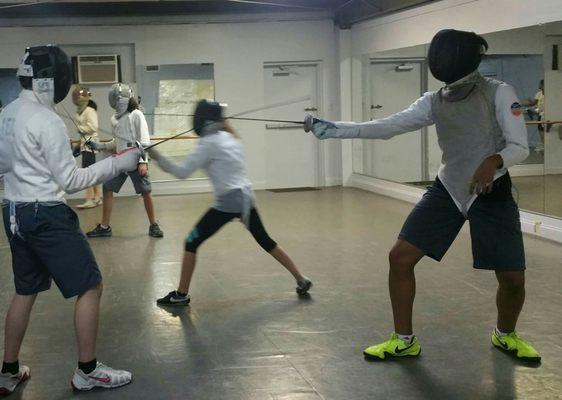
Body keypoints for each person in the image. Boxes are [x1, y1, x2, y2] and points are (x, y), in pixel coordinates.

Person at [309, 29, 540, 362]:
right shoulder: (435, 100)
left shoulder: (499, 93)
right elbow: (388, 126)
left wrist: (494, 160)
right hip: (448, 189)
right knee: (399, 257)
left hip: (491, 192)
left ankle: (505, 334)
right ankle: (403, 340)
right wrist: (335, 128)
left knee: (513, 278)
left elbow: (520, 146)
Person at [0, 45, 137, 395]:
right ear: (52, 81)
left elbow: (9, 164)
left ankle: (8, 371)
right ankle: (87, 371)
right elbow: (71, 181)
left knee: (26, 290)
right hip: (46, 215)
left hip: (13, 213)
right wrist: (123, 162)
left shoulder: (7, 113)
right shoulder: (46, 120)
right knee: (90, 285)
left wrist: (72, 151)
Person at [147, 100, 312, 306]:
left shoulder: (208, 144)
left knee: (191, 241)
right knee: (265, 240)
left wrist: (155, 155)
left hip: (228, 203)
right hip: (246, 198)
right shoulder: (230, 138)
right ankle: (301, 279)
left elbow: (182, 172)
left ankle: (181, 294)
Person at [86, 83, 163, 238]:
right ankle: (104, 227)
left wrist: (143, 162)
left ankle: (153, 225)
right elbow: (117, 142)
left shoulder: (136, 114)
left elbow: (144, 140)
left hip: (135, 158)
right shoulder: (115, 119)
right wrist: (100, 145)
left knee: (146, 192)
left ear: (122, 98)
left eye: (116, 97)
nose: (115, 100)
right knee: (107, 188)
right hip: (121, 159)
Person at [72, 85, 102, 209]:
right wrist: (78, 145)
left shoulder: (90, 111)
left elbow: (93, 127)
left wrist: (80, 128)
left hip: (91, 145)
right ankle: (98, 198)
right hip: (85, 145)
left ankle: (89, 199)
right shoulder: (80, 111)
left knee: (87, 172)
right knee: (91, 172)